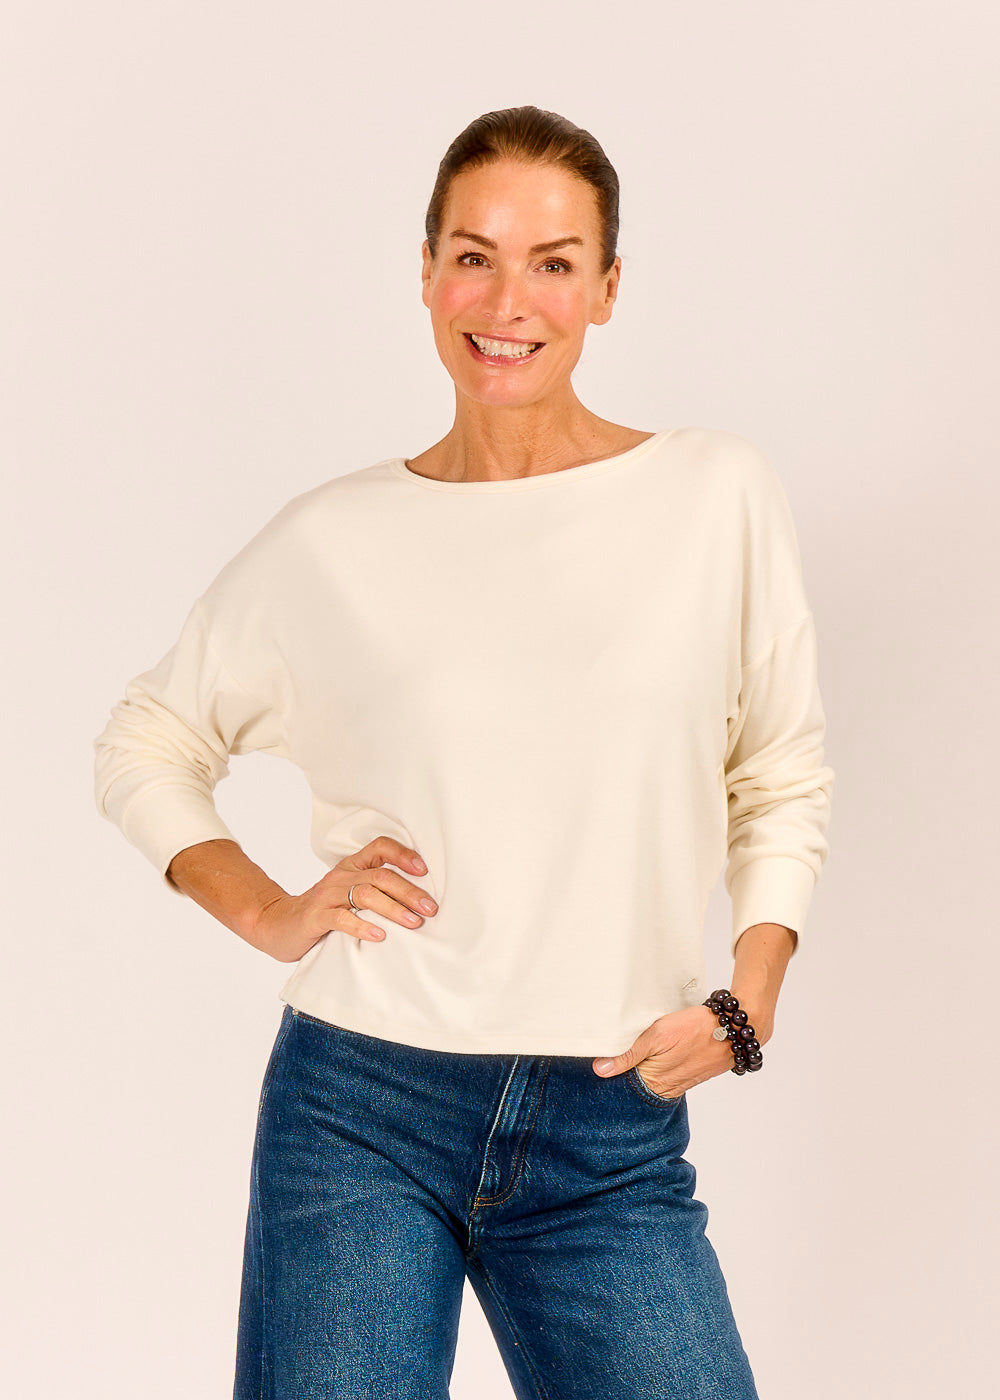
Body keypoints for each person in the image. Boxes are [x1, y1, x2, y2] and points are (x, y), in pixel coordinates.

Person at [93, 104, 834, 1400]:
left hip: (612, 1125)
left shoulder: (713, 494)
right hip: (361, 1110)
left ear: (608, 287)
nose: (508, 300)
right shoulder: (333, 540)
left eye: (555, 261)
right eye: (474, 256)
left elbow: (777, 772)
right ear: (428, 272)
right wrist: (268, 911)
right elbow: (147, 739)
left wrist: (750, 993)